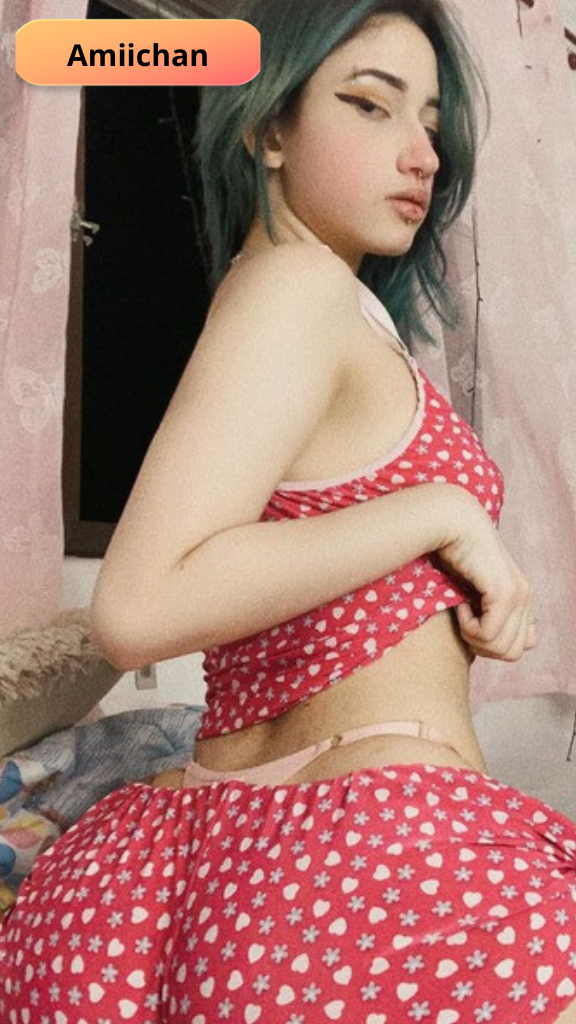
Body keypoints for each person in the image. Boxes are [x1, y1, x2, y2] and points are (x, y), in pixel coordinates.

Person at [2, 1, 576, 1021]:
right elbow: (137, 607)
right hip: (375, 860)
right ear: (269, 129)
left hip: (223, 855)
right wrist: (442, 508)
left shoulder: (297, 302)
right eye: (370, 105)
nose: (422, 154)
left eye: (431, 123)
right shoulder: (299, 286)